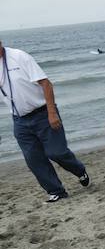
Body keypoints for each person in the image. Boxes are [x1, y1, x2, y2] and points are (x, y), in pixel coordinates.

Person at [0, 40, 89, 203]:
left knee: (56, 153)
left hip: (43, 113)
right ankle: (57, 191)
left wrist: (52, 112)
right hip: (19, 120)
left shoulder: (19, 56)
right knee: (33, 159)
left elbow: (46, 83)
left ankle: (80, 170)